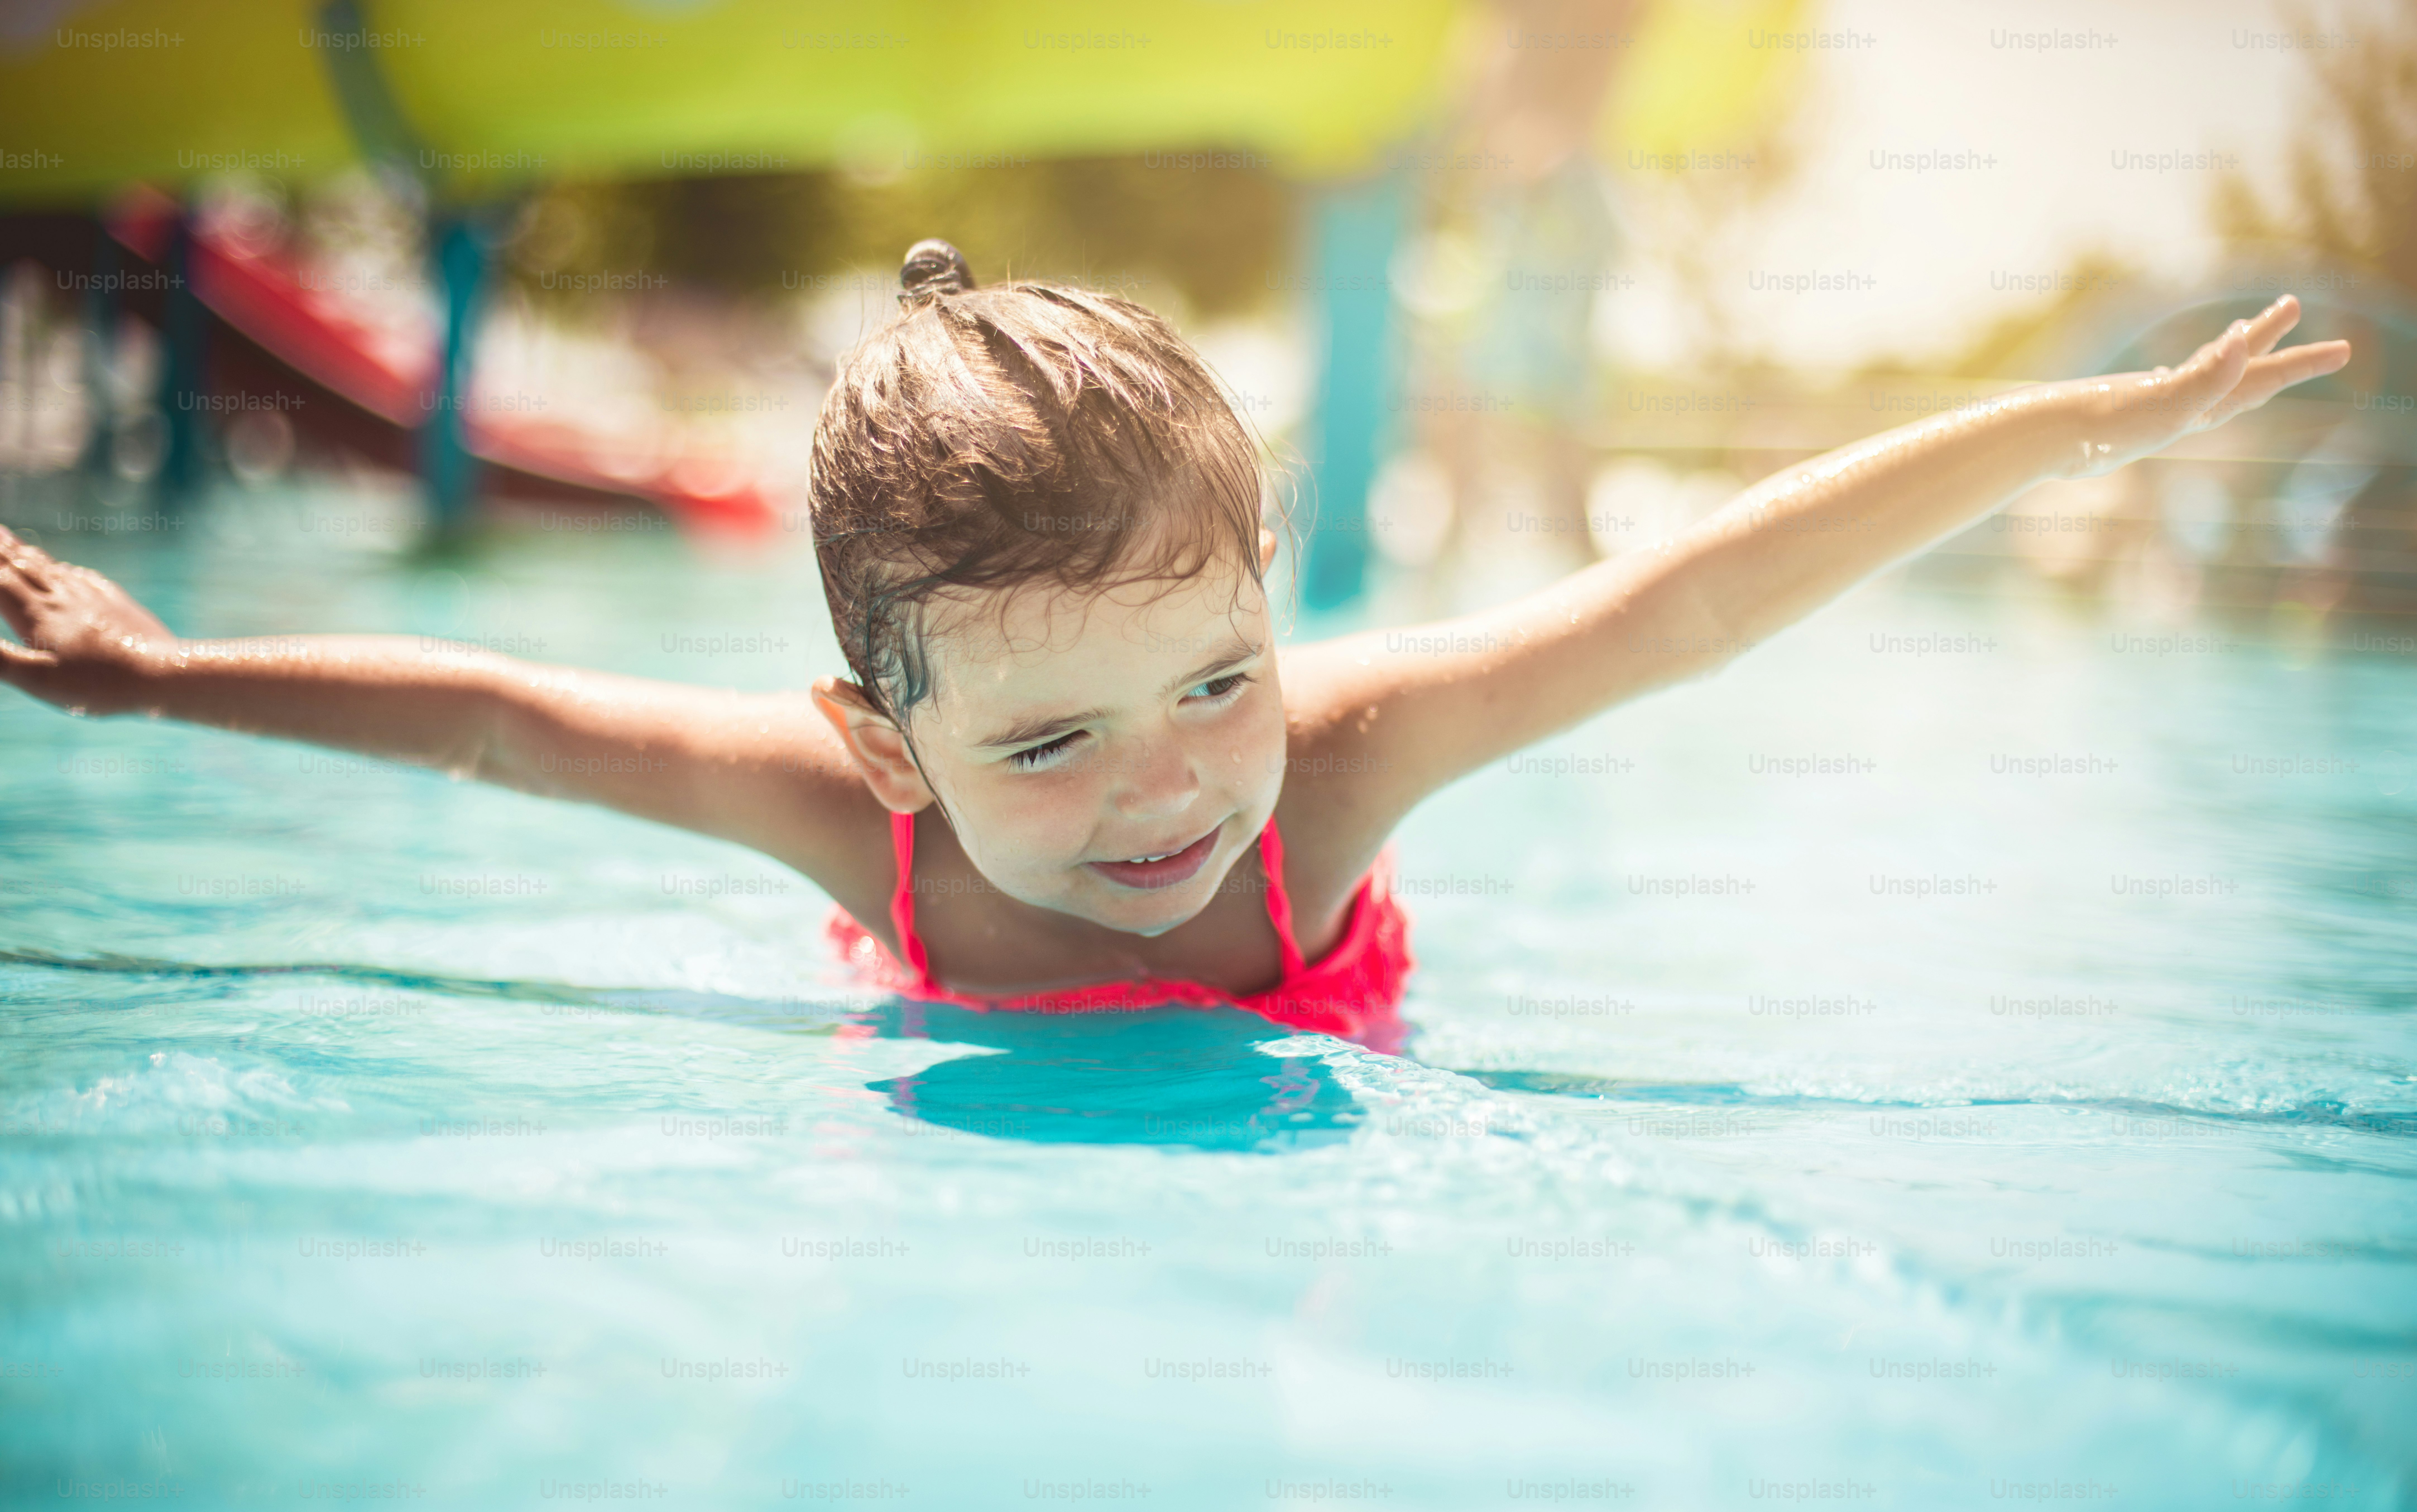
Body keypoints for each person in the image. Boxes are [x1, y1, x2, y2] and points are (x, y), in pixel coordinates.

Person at [0, 240, 2349, 1043]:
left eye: (1221, 680)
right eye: (1047, 743)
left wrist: (2089, 427)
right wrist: (156, 676)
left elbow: (1702, 595)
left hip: (1315, 1051)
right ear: (886, 745)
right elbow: (508, 720)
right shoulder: (849, 830)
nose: (1168, 789)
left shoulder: (1343, 770)